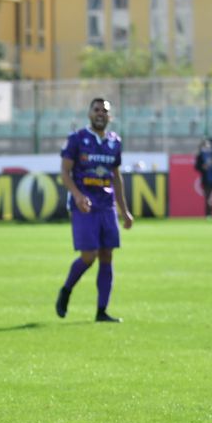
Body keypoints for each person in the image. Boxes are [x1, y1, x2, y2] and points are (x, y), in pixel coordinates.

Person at [55, 98, 133, 323]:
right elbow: (65, 173)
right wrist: (78, 196)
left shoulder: (114, 142)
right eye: (97, 109)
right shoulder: (77, 139)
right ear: (89, 114)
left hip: (106, 206)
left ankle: (102, 311)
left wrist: (124, 210)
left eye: (105, 111)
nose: (101, 113)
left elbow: (116, 177)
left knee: (107, 255)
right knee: (89, 256)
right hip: (85, 207)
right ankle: (66, 290)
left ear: (110, 116)